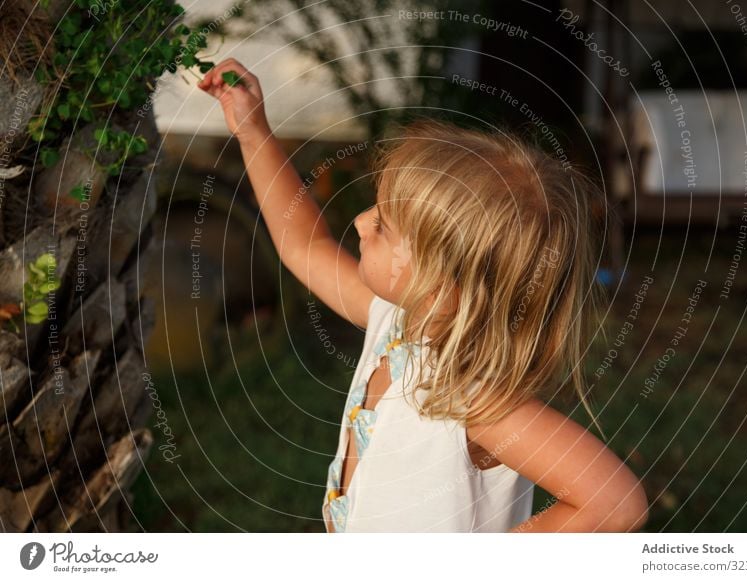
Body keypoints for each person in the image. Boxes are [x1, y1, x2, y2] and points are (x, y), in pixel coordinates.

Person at [198, 58, 649, 533]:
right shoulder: (394, 320)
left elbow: (615, 503)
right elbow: (305, 246)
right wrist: (253, 133)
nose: (359, 221)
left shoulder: (476, 402)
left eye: (383, 226)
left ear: (439, 283)